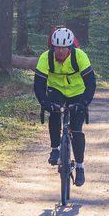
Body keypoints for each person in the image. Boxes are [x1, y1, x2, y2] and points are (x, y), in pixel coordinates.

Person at [34, 26, 96, 187]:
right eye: (57, 48)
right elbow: (39, 85)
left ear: (70, 47)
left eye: (64, 48)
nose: (60, 51)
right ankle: (55, 148)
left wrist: (83, 103)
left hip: (77, 93)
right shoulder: (45, 58)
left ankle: (80, 167)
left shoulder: (80, 57)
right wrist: (45, 103)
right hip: (56, 91)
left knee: (76, 129)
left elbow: (91, 83)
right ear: (53, 47)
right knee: (54, 113)